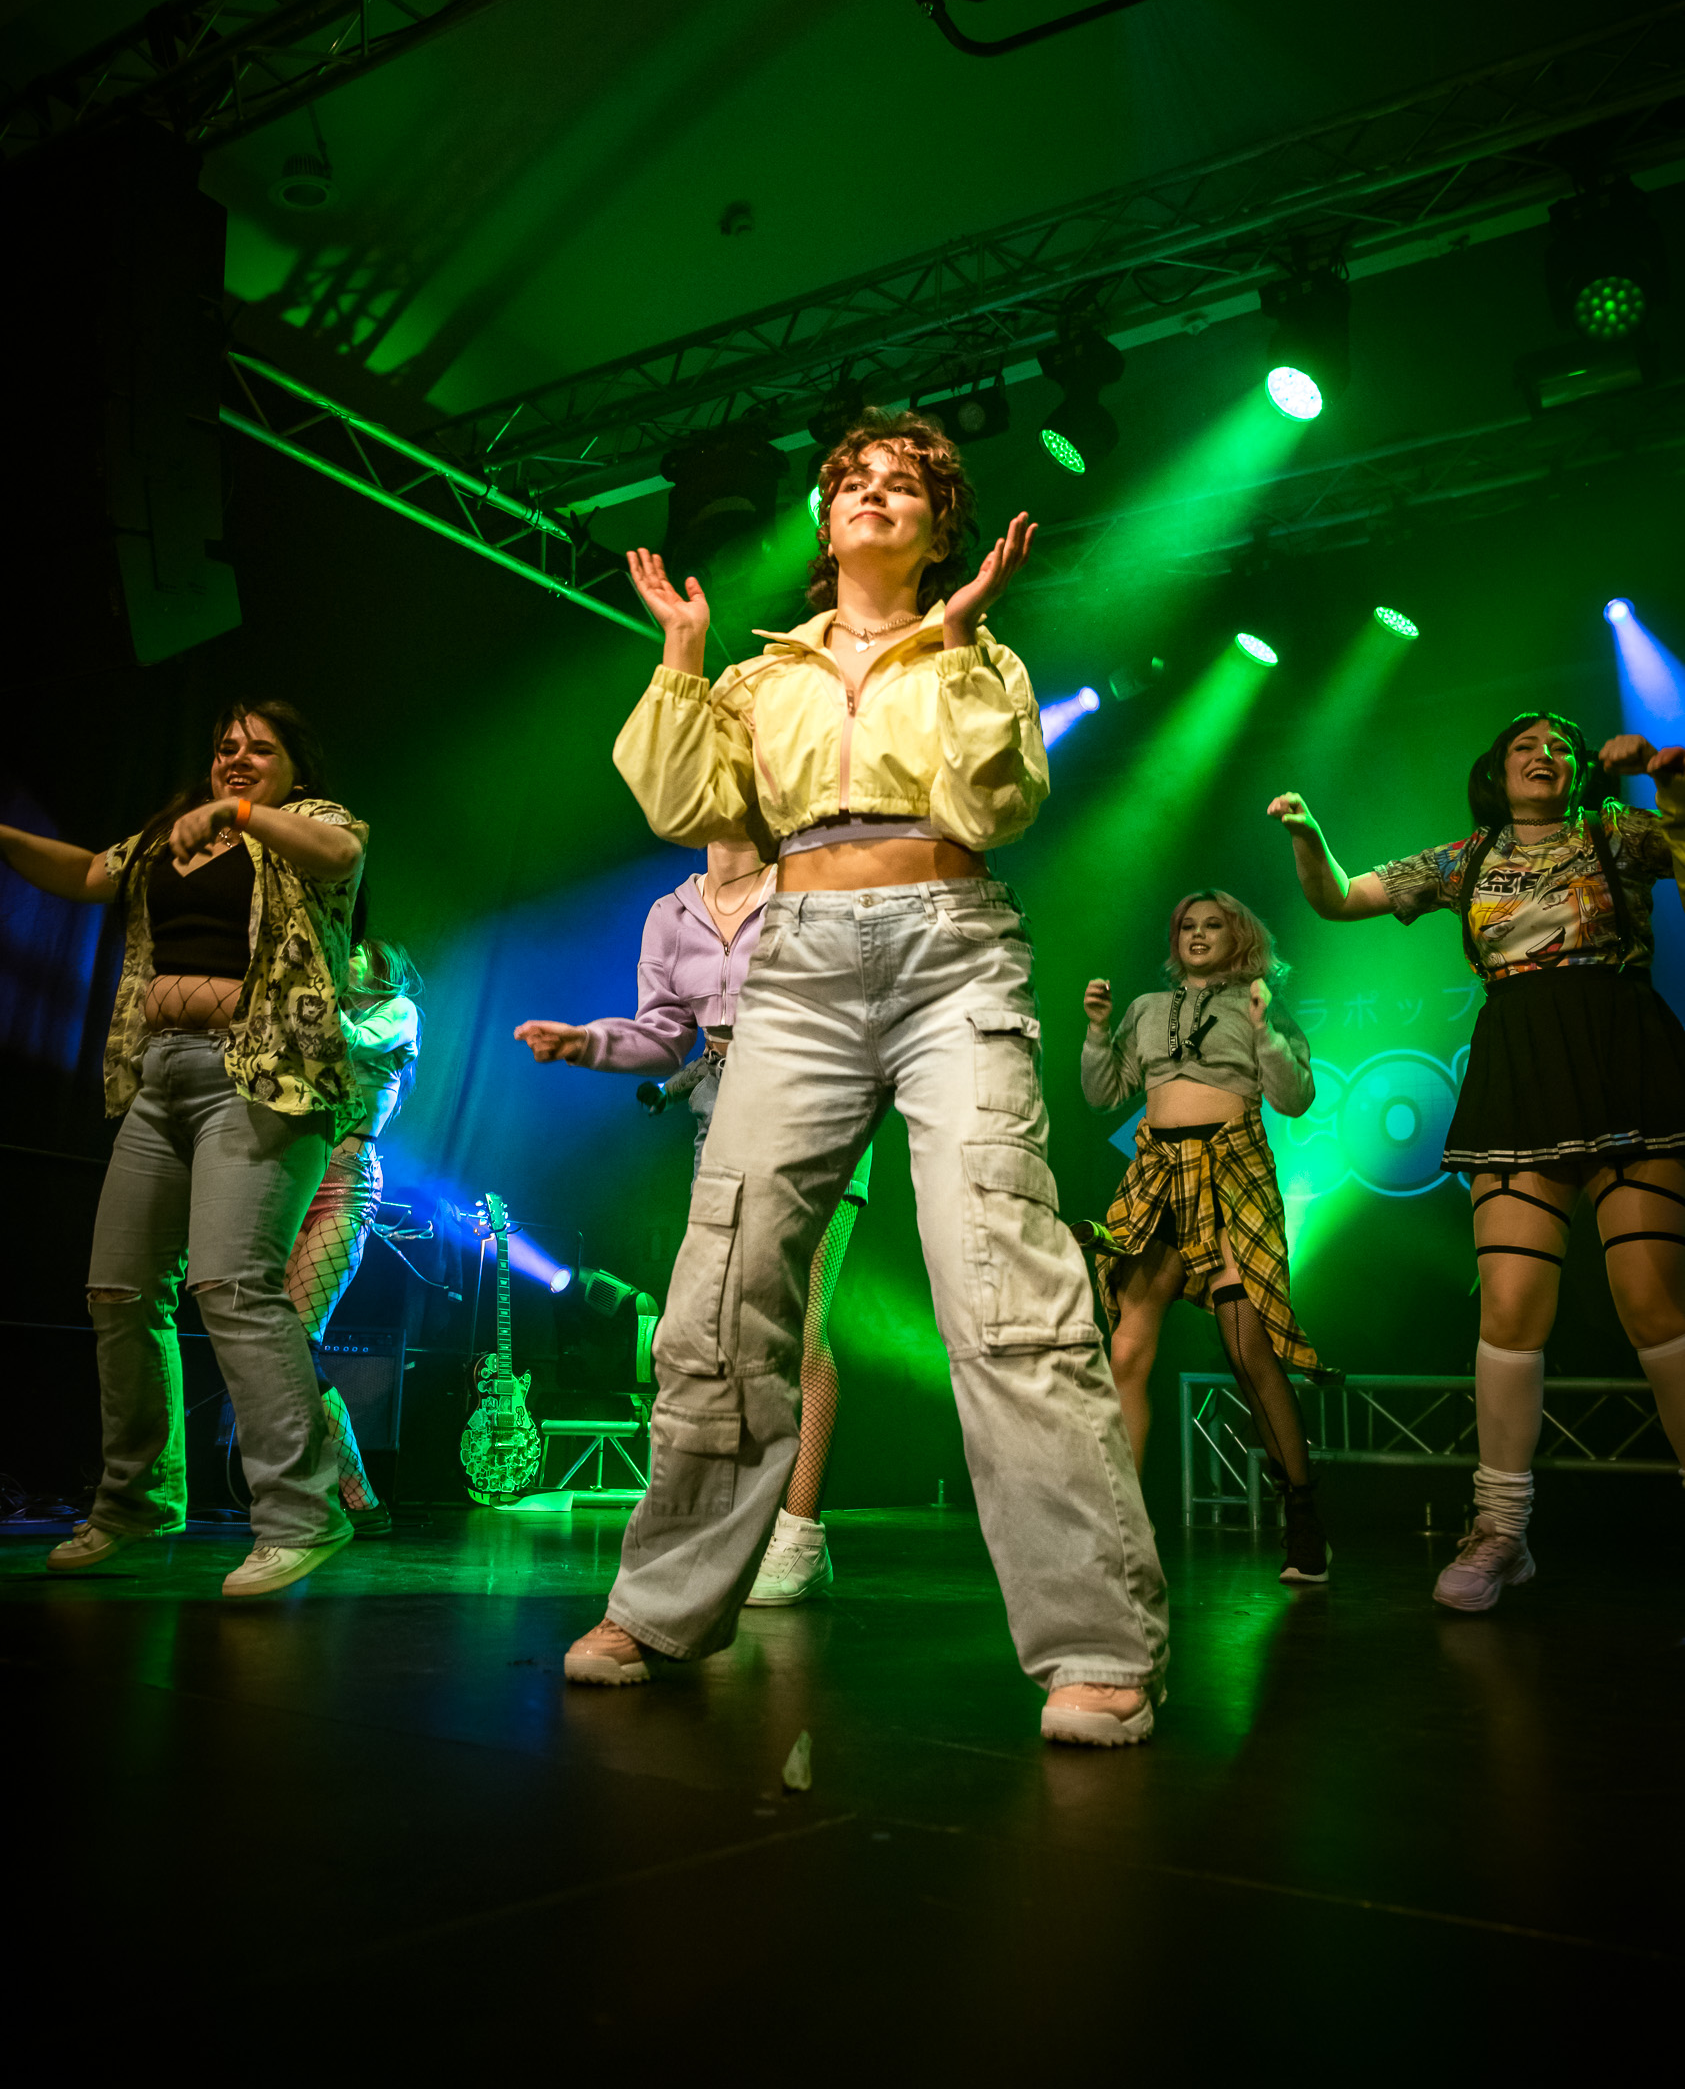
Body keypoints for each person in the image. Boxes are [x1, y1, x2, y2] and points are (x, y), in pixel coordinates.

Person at [560, 410, 1168, 1749]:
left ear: (940, 530)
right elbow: (684, 809)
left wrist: (955, 647)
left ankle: (1096, 1644)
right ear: (826, 520)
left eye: (903, 485)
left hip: (952, 951)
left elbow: (997, 810)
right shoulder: (761, 675)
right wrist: (680, 656)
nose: (873, 494)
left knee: (1004, 1284)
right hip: (797, 963)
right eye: (853, 481)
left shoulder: (980, 656)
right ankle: (662, 1605)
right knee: (724, 1284)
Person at [1268, 714, 1685, 1612]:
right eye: (1523, 746)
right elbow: (1337, 897)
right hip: (1519, 1066)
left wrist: (1670, 786)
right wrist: (1308, 834)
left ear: (1579, 769)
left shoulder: (1618, 831)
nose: (1543, 754)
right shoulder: (1465, 858)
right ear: (1495, 773)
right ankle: (1500, 1530)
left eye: (1559, 745)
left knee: (1651, 1301)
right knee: (1508, 1307)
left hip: (1621, 1056)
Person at [0, 698, 365, 1598]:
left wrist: (238, 812)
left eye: (259, 749)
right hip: (160, 1081)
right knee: (117, 1289)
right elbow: (88, 873)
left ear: (292, 769)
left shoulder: (305, 822)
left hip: (260, 1079)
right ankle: (136, 1501)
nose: (237, 758)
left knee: (233, 1287)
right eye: (226, 747)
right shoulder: (168, 836)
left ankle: (303, 1516)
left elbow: (340, 855)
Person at [516, 841, 870, 1603]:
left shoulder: (809, 883)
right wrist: (588, 1042)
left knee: (800, 1325)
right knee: (719, 1336)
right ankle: (726, 1526)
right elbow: (661, 1034)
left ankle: (799, 1535)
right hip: (724, 1132)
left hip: (819, 1114)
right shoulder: (670, 912)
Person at [1079, 890, 1328, 1583]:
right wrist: (1097, 1033)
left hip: (1229, 1168)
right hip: (1158, 1173)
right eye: (1186, 925)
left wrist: (1265, 1033)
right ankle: (1126, 1529)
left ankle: (1303, 1515)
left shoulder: (1259, 1003)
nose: (1196, 934)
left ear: (1238, 935)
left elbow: (1295, 1098)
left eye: (1212, 924)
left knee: (1248, 1352)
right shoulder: (1145, 1008)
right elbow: (1104, 1094)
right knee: (1126, 1350)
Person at [286, 925, 423, 1536]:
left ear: (380, 964)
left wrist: (310, 990)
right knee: (276, 1343)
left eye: (355, 950)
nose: (345, 957)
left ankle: (358, 1492)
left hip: (346, 1183)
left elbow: (352, 1041)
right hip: (293, 1174)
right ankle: (307, 1490)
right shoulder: (322, 1013)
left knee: (298, 1339)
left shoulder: (398, 1012)